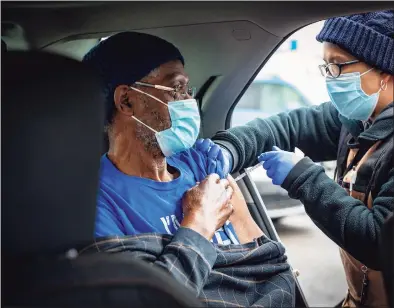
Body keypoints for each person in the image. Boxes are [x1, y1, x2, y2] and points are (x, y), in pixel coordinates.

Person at [211, 10, 393, 308]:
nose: (329, 78)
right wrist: (230, 148)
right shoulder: (355, 121)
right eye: (326, 66)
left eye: (337, 66)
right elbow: (287, 127)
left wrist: (304, 178)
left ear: (384, 71)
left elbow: (377, 242)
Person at [82, 31, 264, 245]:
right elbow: (150, 280)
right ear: (127, 101)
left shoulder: (201, 164)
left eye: (188, 90)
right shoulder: (96, 202)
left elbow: (263, 255)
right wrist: (199, 222)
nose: (189, 101)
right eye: (177, 88)